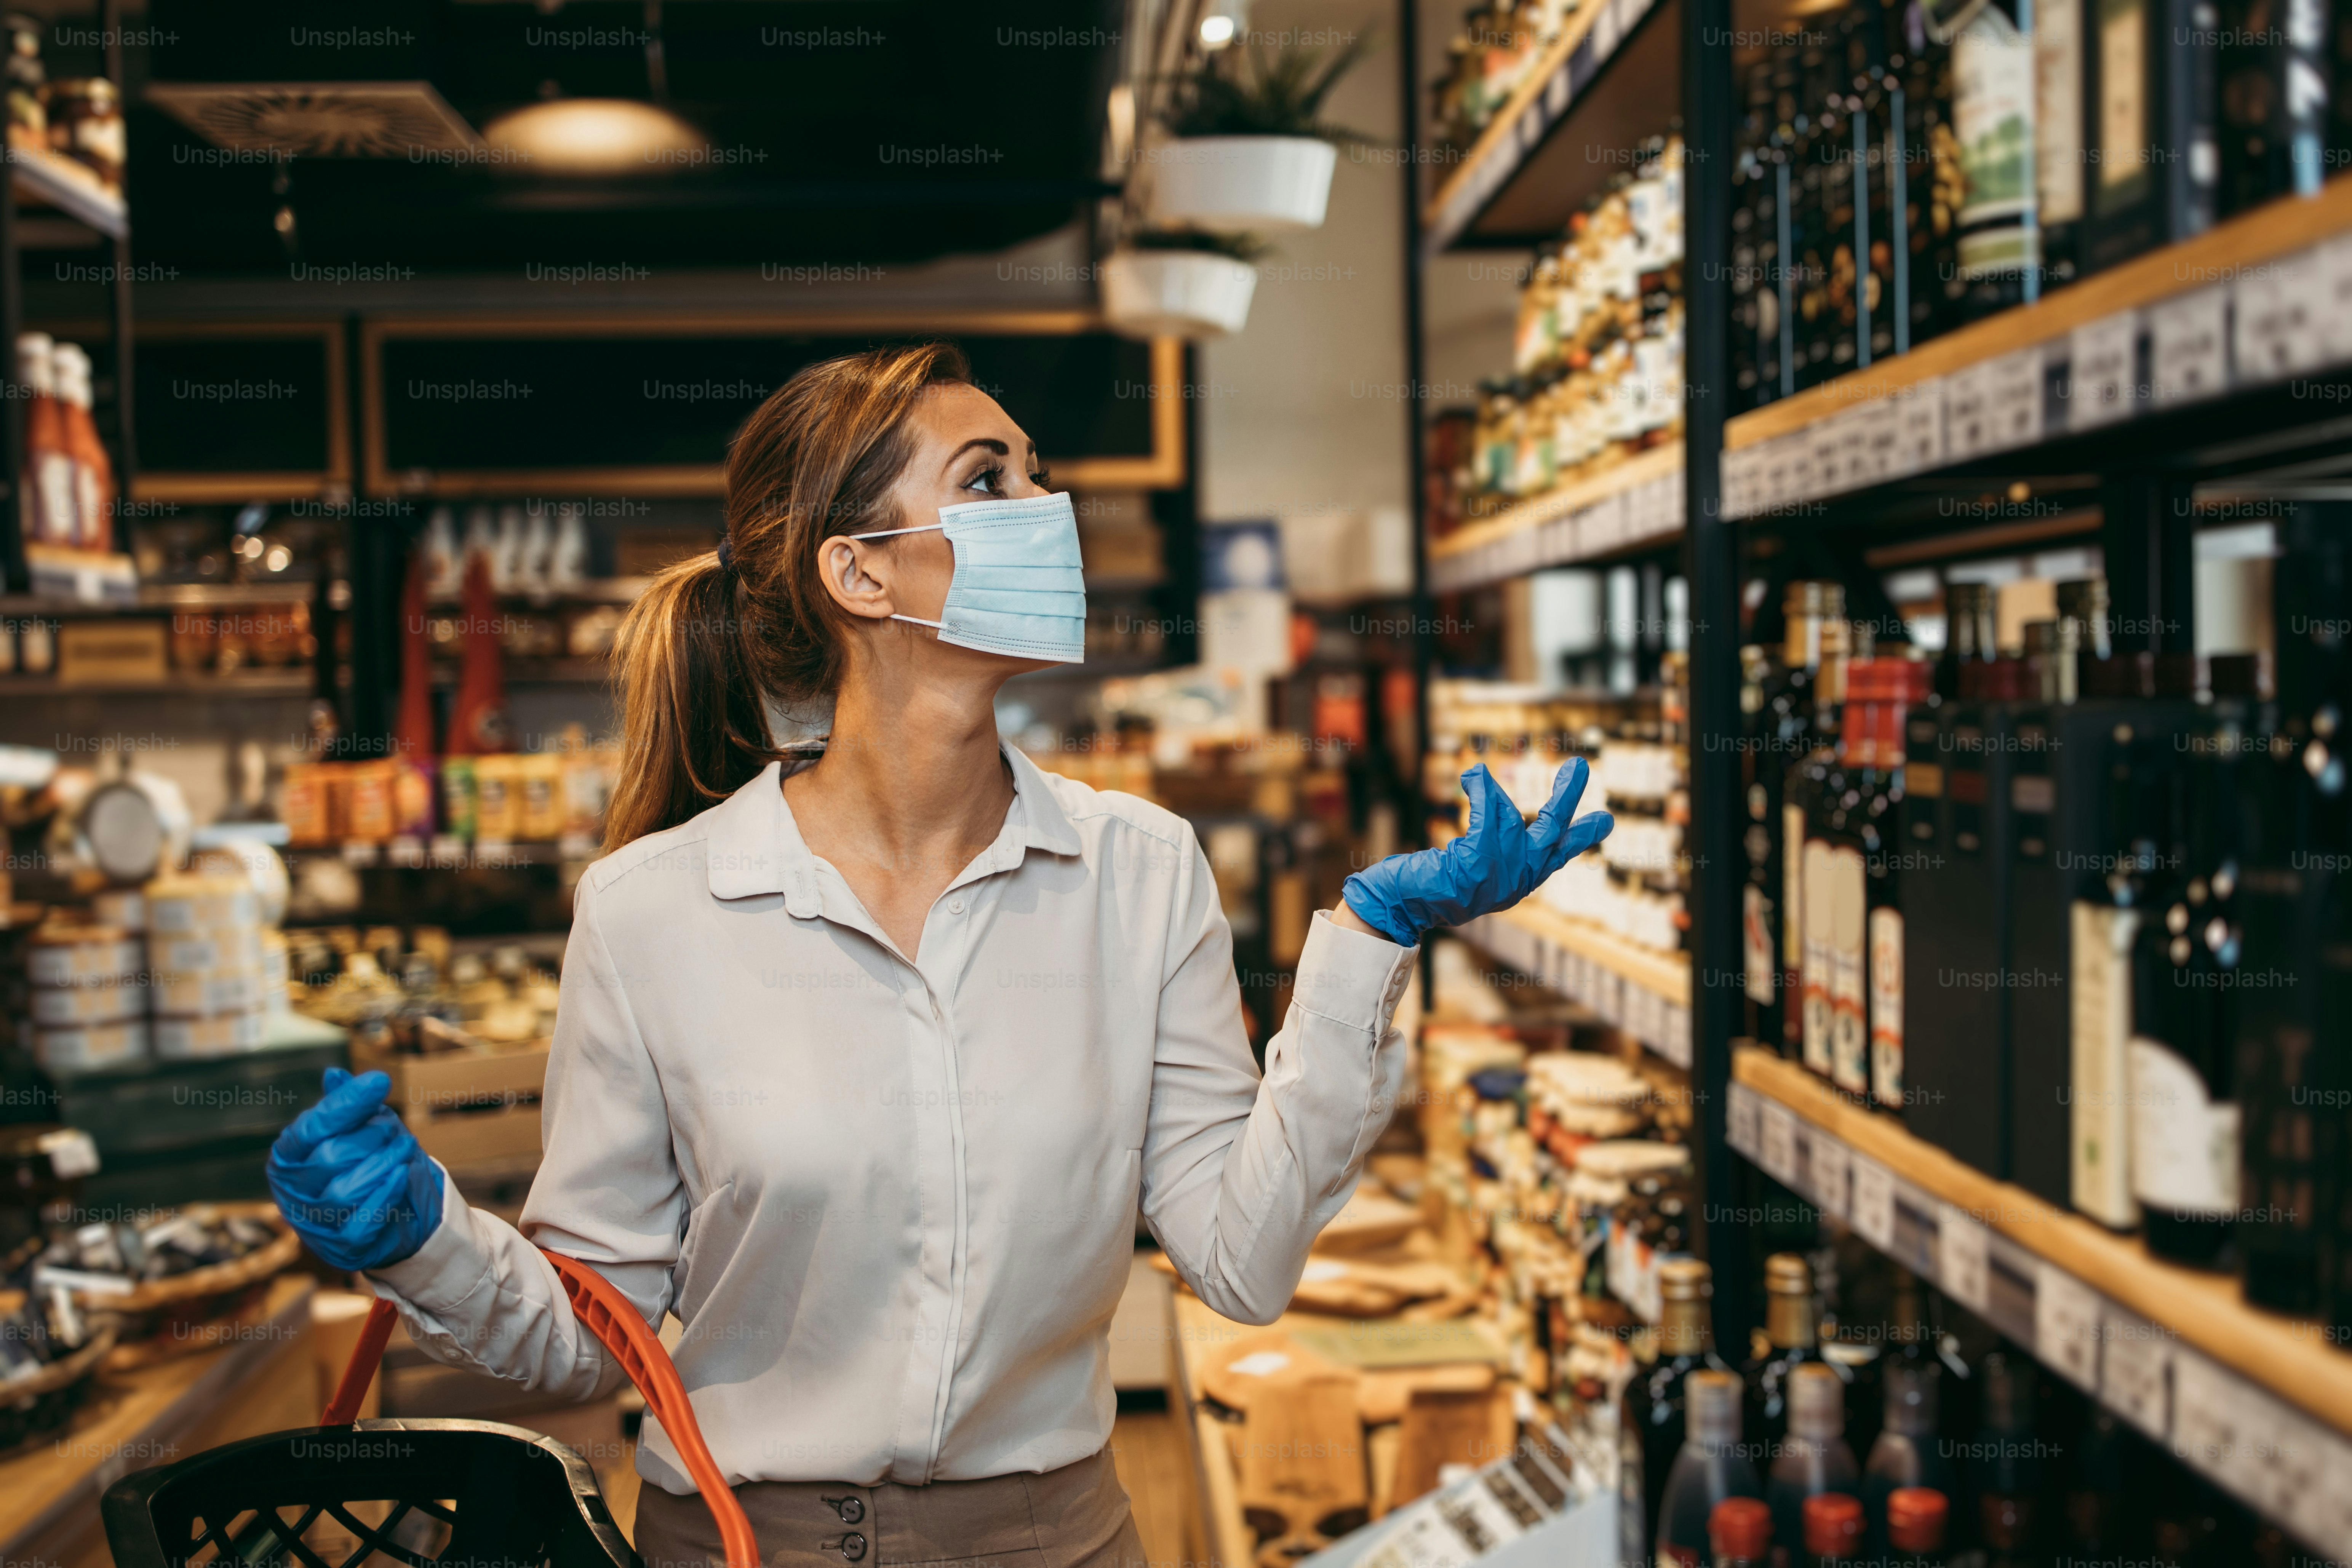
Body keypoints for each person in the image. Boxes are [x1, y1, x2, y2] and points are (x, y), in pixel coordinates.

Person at [266, 342, 1611, 1568]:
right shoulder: (651, 911)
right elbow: (584, 1338)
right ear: (860, 572)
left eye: (1041, 472)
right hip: (741, 1545)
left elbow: (1244, 1263)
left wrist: (1370, 944)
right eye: (990, 479)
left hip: (1056, 1540)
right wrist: (424, 1241)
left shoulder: (1139, 872)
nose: (1047, 508)